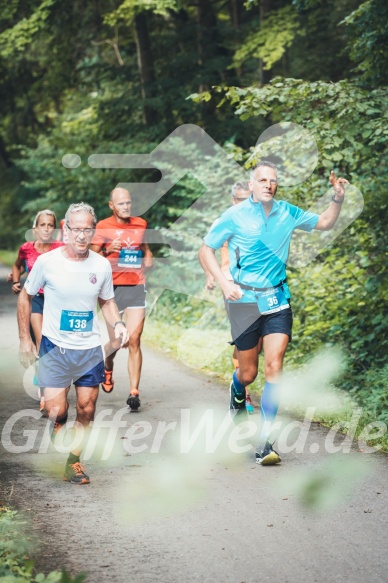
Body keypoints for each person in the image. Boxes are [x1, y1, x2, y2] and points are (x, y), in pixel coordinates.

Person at [200, 162, 348, 465]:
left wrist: (337, 199)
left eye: (274, 181)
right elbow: (206, 249)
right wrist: (222, 280)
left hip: (278, 299)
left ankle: (265, 441)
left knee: (274, 365)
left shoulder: (287, 212)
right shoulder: (235, 215)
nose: (268, 185)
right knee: (249, 372)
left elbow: (324, 223)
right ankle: (237, 388)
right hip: (243, 301)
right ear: (252, 185)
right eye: (262, 180)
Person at [17, 202, 129, 484]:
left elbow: (107, 301)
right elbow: (25, 296)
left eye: (87, 229)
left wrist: (117, 324)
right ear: (65, 230)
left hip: (89, 348)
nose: (81, 235)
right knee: (58, 411)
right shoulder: (47, 262)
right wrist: (24, 340)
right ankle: (58, 424)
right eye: (76, 229)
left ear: (93, 231)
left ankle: (74, 462)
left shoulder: (101, 265)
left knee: (87, 409)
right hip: (55, 346)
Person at [91, 187, 153, 411]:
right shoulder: (103, 226)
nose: (126, 207)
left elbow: (144, 247)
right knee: (118, 341)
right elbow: (91, 255)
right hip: (111, 289)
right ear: (112, 206)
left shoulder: (141, 224)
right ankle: (107, 365)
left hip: (136, 284)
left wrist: (148, 256)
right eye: (121, 204)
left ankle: (134, 392)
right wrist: (107, 250)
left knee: (134, 339)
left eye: (128, 203)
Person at [198, 182, 256, 413]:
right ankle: (244, 392)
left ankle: (240, 380)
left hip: (258, 286)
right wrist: (210, 276)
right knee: (243, 336)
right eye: (240, 200)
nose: (244, 204)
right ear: (233, 201)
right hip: (231, 285)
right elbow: (204, 250)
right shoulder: (223, 221)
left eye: (248, 199)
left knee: (257, 342)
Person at [11, 210, 64, 412]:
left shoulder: (60, 248)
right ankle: (45, 394)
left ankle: (43, 374)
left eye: (50, 225)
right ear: (35, 229)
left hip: (55, 301)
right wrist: (16, 280)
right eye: (42, 225)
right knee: (42, 341)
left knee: (54, 344)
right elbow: (18, 266)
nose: (46, 229)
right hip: (35, 300)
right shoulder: (26, 248)